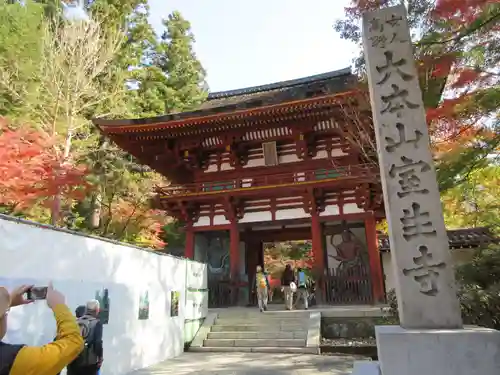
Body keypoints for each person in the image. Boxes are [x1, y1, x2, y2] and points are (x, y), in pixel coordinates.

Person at [0, 283, 84, 375]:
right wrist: (59, 305)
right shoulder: (16, 361)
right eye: (6, 313)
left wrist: (8, 302)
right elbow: (73, 342)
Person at [67, 300, 103, 375]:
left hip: (73, 364)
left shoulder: (74, 323)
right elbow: (98, 343)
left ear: (86, 310)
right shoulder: (97, 323)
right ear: (97, 310)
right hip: (89, 366)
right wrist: (100, 358)